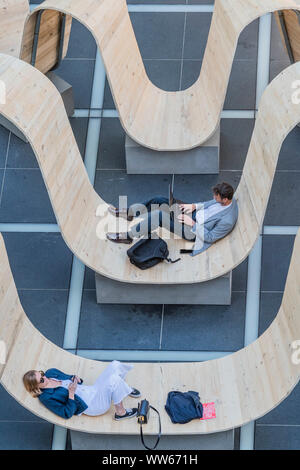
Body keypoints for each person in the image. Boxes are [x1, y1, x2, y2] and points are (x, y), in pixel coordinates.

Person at [106, 182, 238, 256]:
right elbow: (208, 204)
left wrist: (192, 223)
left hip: (193, 231)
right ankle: (130, 213)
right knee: (159, 200)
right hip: (192, 215)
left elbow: (210, 237)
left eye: (217, 197)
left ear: (225, 199)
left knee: (159, 216)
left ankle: (128, 236)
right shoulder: (224, 199)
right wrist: (193, 206)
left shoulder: (228, 220)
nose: (214, 198)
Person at [23, 360, 141, 421]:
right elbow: (66, 413)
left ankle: (122, 388)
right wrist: (71, 394)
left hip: (91, 390)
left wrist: (75, 378)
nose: (45, 378)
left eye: (42, 374)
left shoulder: (51, 373)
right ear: (36, 387)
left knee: (115, 365)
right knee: (113, 379)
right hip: (91, 405)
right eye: (42, 380)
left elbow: (73, 378)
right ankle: (121, 413)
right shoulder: (46, 397)